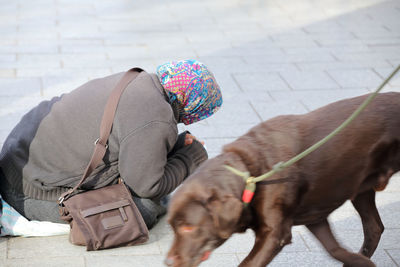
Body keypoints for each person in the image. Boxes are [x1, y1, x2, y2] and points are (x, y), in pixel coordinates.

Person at [0, 59, 223, 230]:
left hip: (15, 160)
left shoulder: (138, 79)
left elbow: (131, 135)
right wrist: (190, 158)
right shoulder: (157, 117)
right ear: (193, 104)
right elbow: (146, 188)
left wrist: (174, 145)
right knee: (145, 208)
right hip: (28, 191)